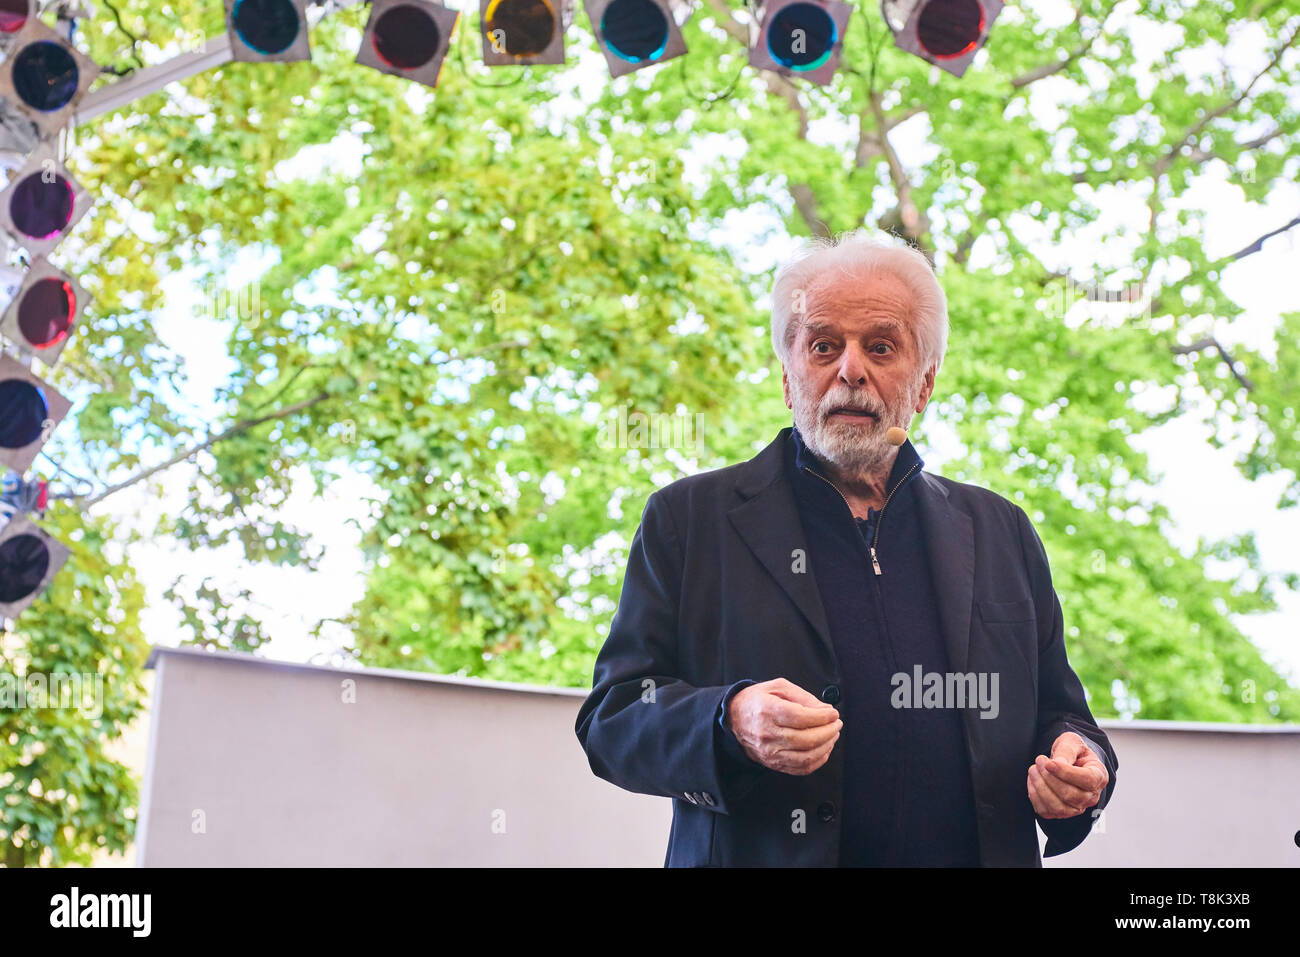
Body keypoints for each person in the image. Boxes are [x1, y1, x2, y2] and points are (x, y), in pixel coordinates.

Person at [574, 229, 1117, 866]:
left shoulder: (1002, 531)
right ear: (788, 378)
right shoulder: (689, 520)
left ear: (924, 384)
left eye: (881, 347)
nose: (850, 370)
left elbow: (1064, 714)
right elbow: (613, 719)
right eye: (823, 345)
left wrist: (1080, 762)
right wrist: (729, 719)